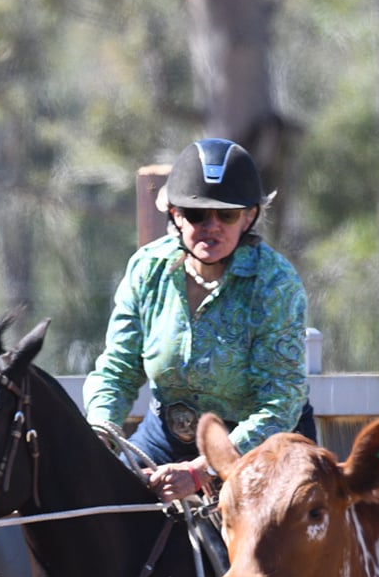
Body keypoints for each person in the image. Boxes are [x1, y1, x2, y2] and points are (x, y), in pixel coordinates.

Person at [83, 138, 315, 502]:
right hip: (166, 438)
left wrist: (201, 470)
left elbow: (280, 404)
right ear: (175, 214)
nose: (212, 226)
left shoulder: (275, 283)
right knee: (98, 506)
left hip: (263, 449)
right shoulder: (146, 269)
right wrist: (101, 434)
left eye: (227, 215)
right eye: (196, 214)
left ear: (249, 217)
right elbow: (118, 370)